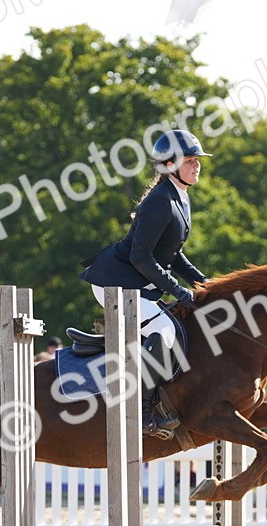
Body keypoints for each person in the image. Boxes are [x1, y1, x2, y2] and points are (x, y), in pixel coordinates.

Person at [80, 129, 211, 433]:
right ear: (170, 165)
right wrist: (176, 289)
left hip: (136, 283)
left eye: (197, 160)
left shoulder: (180, 196)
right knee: (164, 329)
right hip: (114, 284)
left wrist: (204, 283)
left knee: (176, 325)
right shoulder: (159, 201)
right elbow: (141, 257)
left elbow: (173, 253)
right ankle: (142, 411)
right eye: (190, 160)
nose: (197, 165)